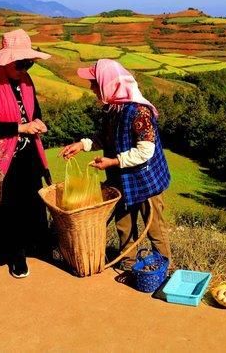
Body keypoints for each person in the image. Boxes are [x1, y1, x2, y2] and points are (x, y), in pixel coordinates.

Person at [60, 59, 172, 270]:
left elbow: (145, 152)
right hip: (122, 180)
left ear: (109, 83)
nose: (92, 88)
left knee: (155, 227)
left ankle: (163, 268)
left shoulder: (139, 112)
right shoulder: (112, 108)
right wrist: (82, 145)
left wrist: (113, 161)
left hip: (147, 180)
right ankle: (129, 264)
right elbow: (105, 137)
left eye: (94, 83)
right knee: (124, 224)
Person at [0, 29, 52, 278]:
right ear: (7, 60)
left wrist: (38, 123)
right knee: (11, 208)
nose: (25, 68)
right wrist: (22, 127)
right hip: (2, 158)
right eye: (21, 63)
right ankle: (16, 257)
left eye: (29, 63)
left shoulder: (26, 82)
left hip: (28, 155)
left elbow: (34, 112)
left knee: (32, 203)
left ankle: (35, 246)